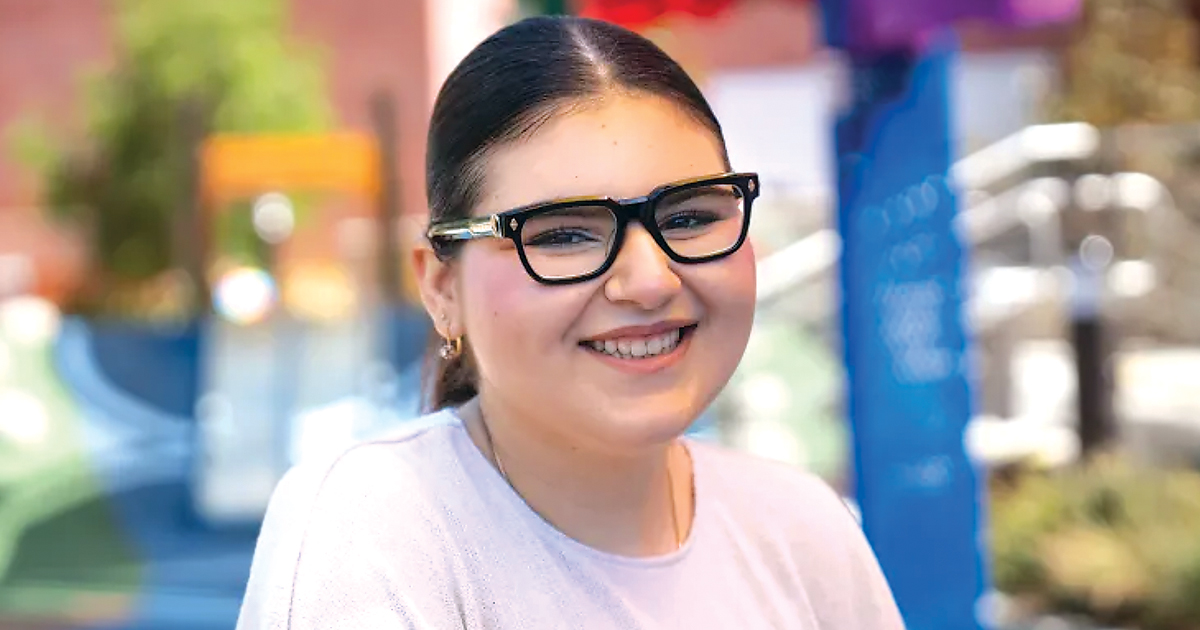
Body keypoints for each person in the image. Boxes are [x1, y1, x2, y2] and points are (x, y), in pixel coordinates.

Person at [236, 15, 905, 630]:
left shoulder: (802, 530)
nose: (650, 281)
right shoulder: (375, 523)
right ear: (443, 286)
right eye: (562, 236)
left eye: (691, 217)